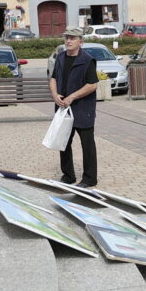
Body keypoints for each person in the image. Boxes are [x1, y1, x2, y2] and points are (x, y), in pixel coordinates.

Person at [49, 26, 99, 188]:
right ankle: (68, 175)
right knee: (63, 142)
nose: (68, 41)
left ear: (81, 42)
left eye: (72, 38)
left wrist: (72, 96)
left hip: (83, 109)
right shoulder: (61, 57)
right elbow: (53, 78)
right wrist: (55, 94)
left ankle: (90, 178)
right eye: (67, 38)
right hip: (63, 108)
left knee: (87, 145)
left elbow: (92, 85)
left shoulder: (87, 60)